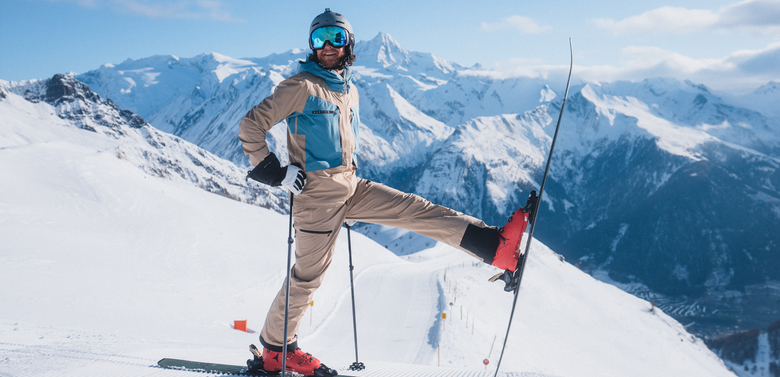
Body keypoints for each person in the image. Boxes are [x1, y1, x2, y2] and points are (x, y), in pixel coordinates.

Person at [238, 8, 527, 376]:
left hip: (350, 185)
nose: (327, 46)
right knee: (307, 276)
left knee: (415, 209)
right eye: (319, 39)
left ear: (349, 44)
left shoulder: (348, 91)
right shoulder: (300, 87)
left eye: (336, 37)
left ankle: (495, 248)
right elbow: (251, 126)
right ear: (311, 47)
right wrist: (274, 172)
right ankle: (276, 351)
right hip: (316, 198)